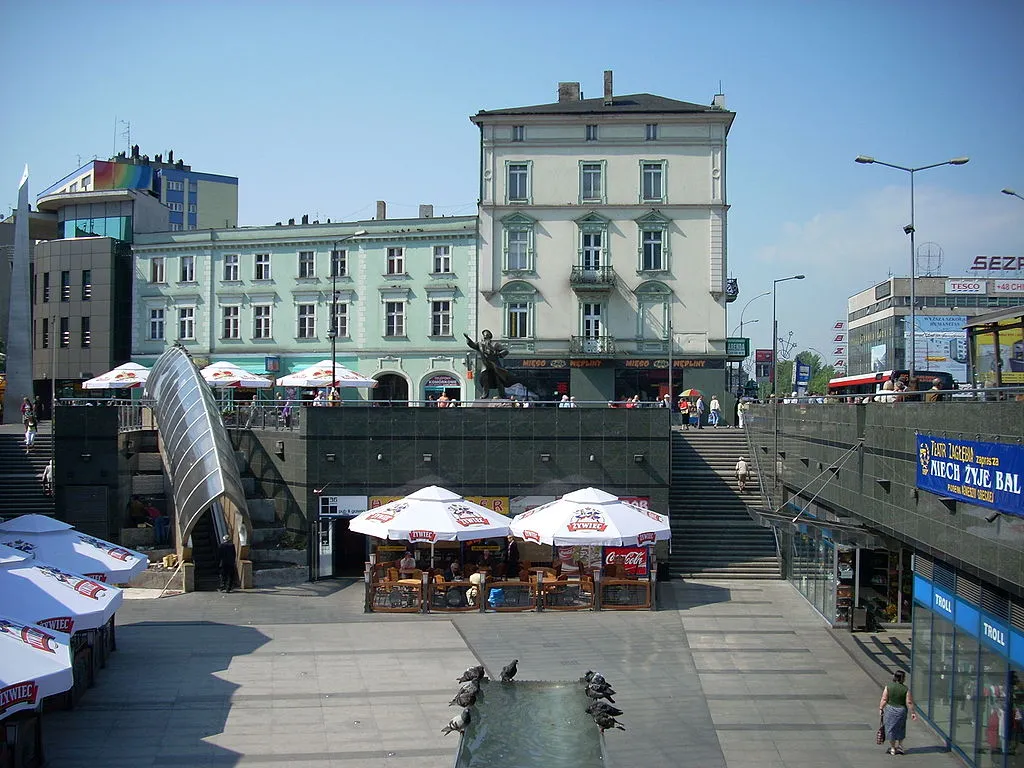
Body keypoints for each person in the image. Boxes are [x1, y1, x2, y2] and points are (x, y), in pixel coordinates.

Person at [464, 330, 514, 399]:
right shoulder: (480, 344)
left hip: (495, 364)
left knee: (499, 379)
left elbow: (506, 351)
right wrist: (468, 339)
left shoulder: (495, 344)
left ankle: (502, 394)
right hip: (485, 364)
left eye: (486, 335)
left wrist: (498, 353)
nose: (485, 336)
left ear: (489, 336)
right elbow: (472, 345)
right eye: (484, 335)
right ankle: (485, 394)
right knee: (485, 379)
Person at [878, 669, 917, 756]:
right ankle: (900, 746)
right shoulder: (905, 689)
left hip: (890, 709)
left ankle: (892, 748)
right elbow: (909, 702)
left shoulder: (888, 687)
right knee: (901, 728)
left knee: (891, 728)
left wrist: (881, 708)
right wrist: (913, 712)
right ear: (902, 678)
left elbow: (884, 699)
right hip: (901, 711)